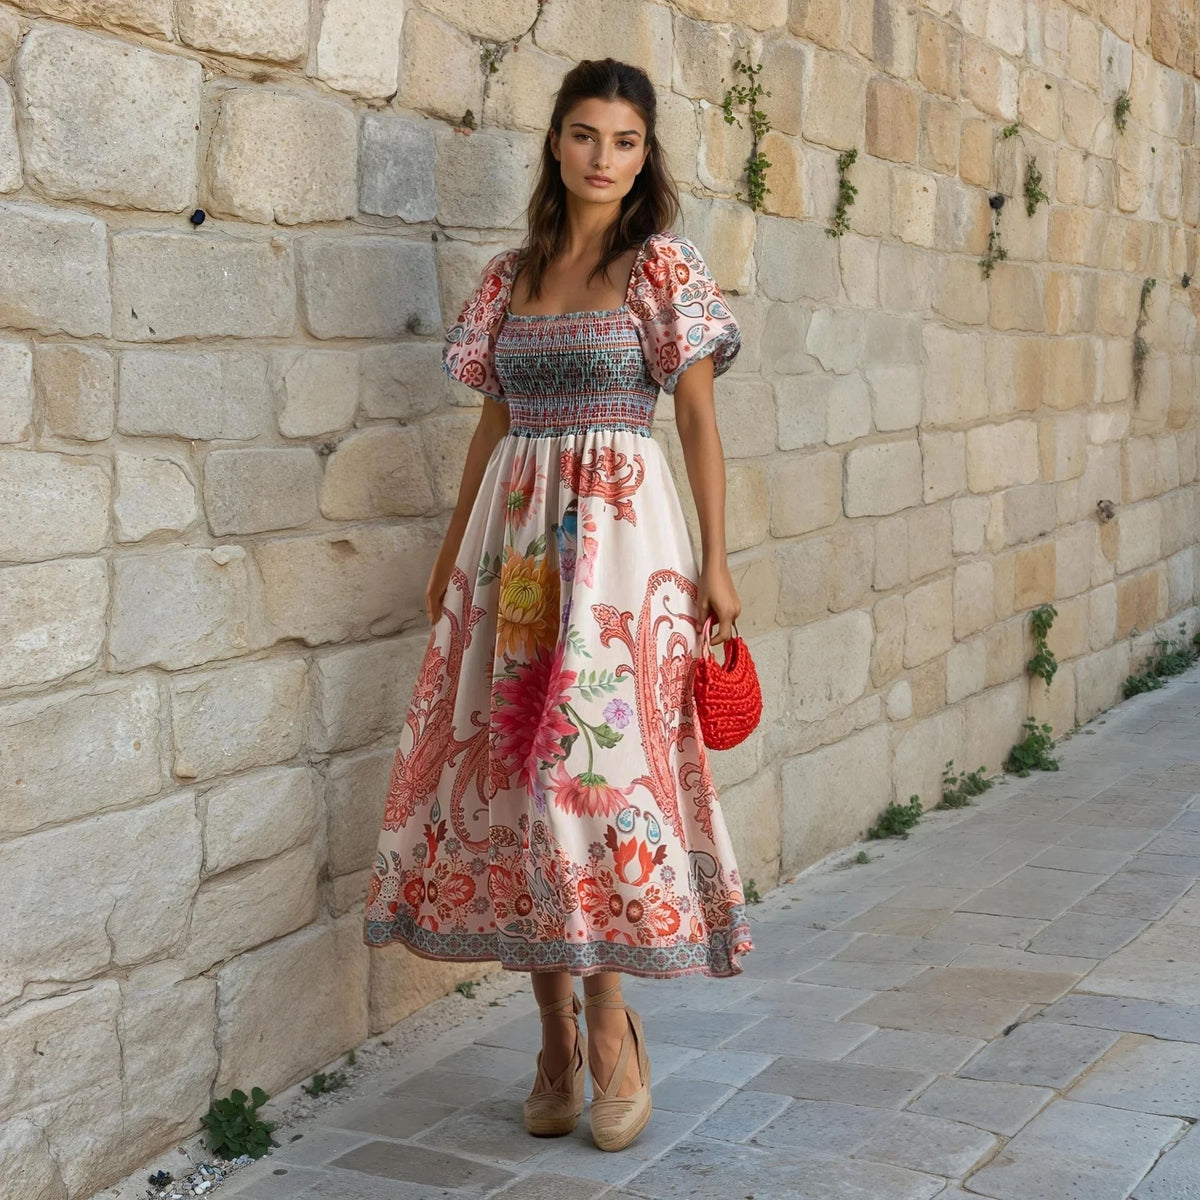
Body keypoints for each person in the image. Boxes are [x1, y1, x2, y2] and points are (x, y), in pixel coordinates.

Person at [363, 55, 754, 1153]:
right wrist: (452, 553)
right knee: (514, 778)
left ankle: (611, 1023)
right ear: (556, 142)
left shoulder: (662, 266)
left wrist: (718, 561)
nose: (603, 158)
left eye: (624, 141)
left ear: (645, 154)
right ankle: (552, 1038)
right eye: (585, 135)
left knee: (594, 780)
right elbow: (491, 426)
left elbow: (698, 423)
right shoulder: (511, 276)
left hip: (623, 546)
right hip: (515, 551)